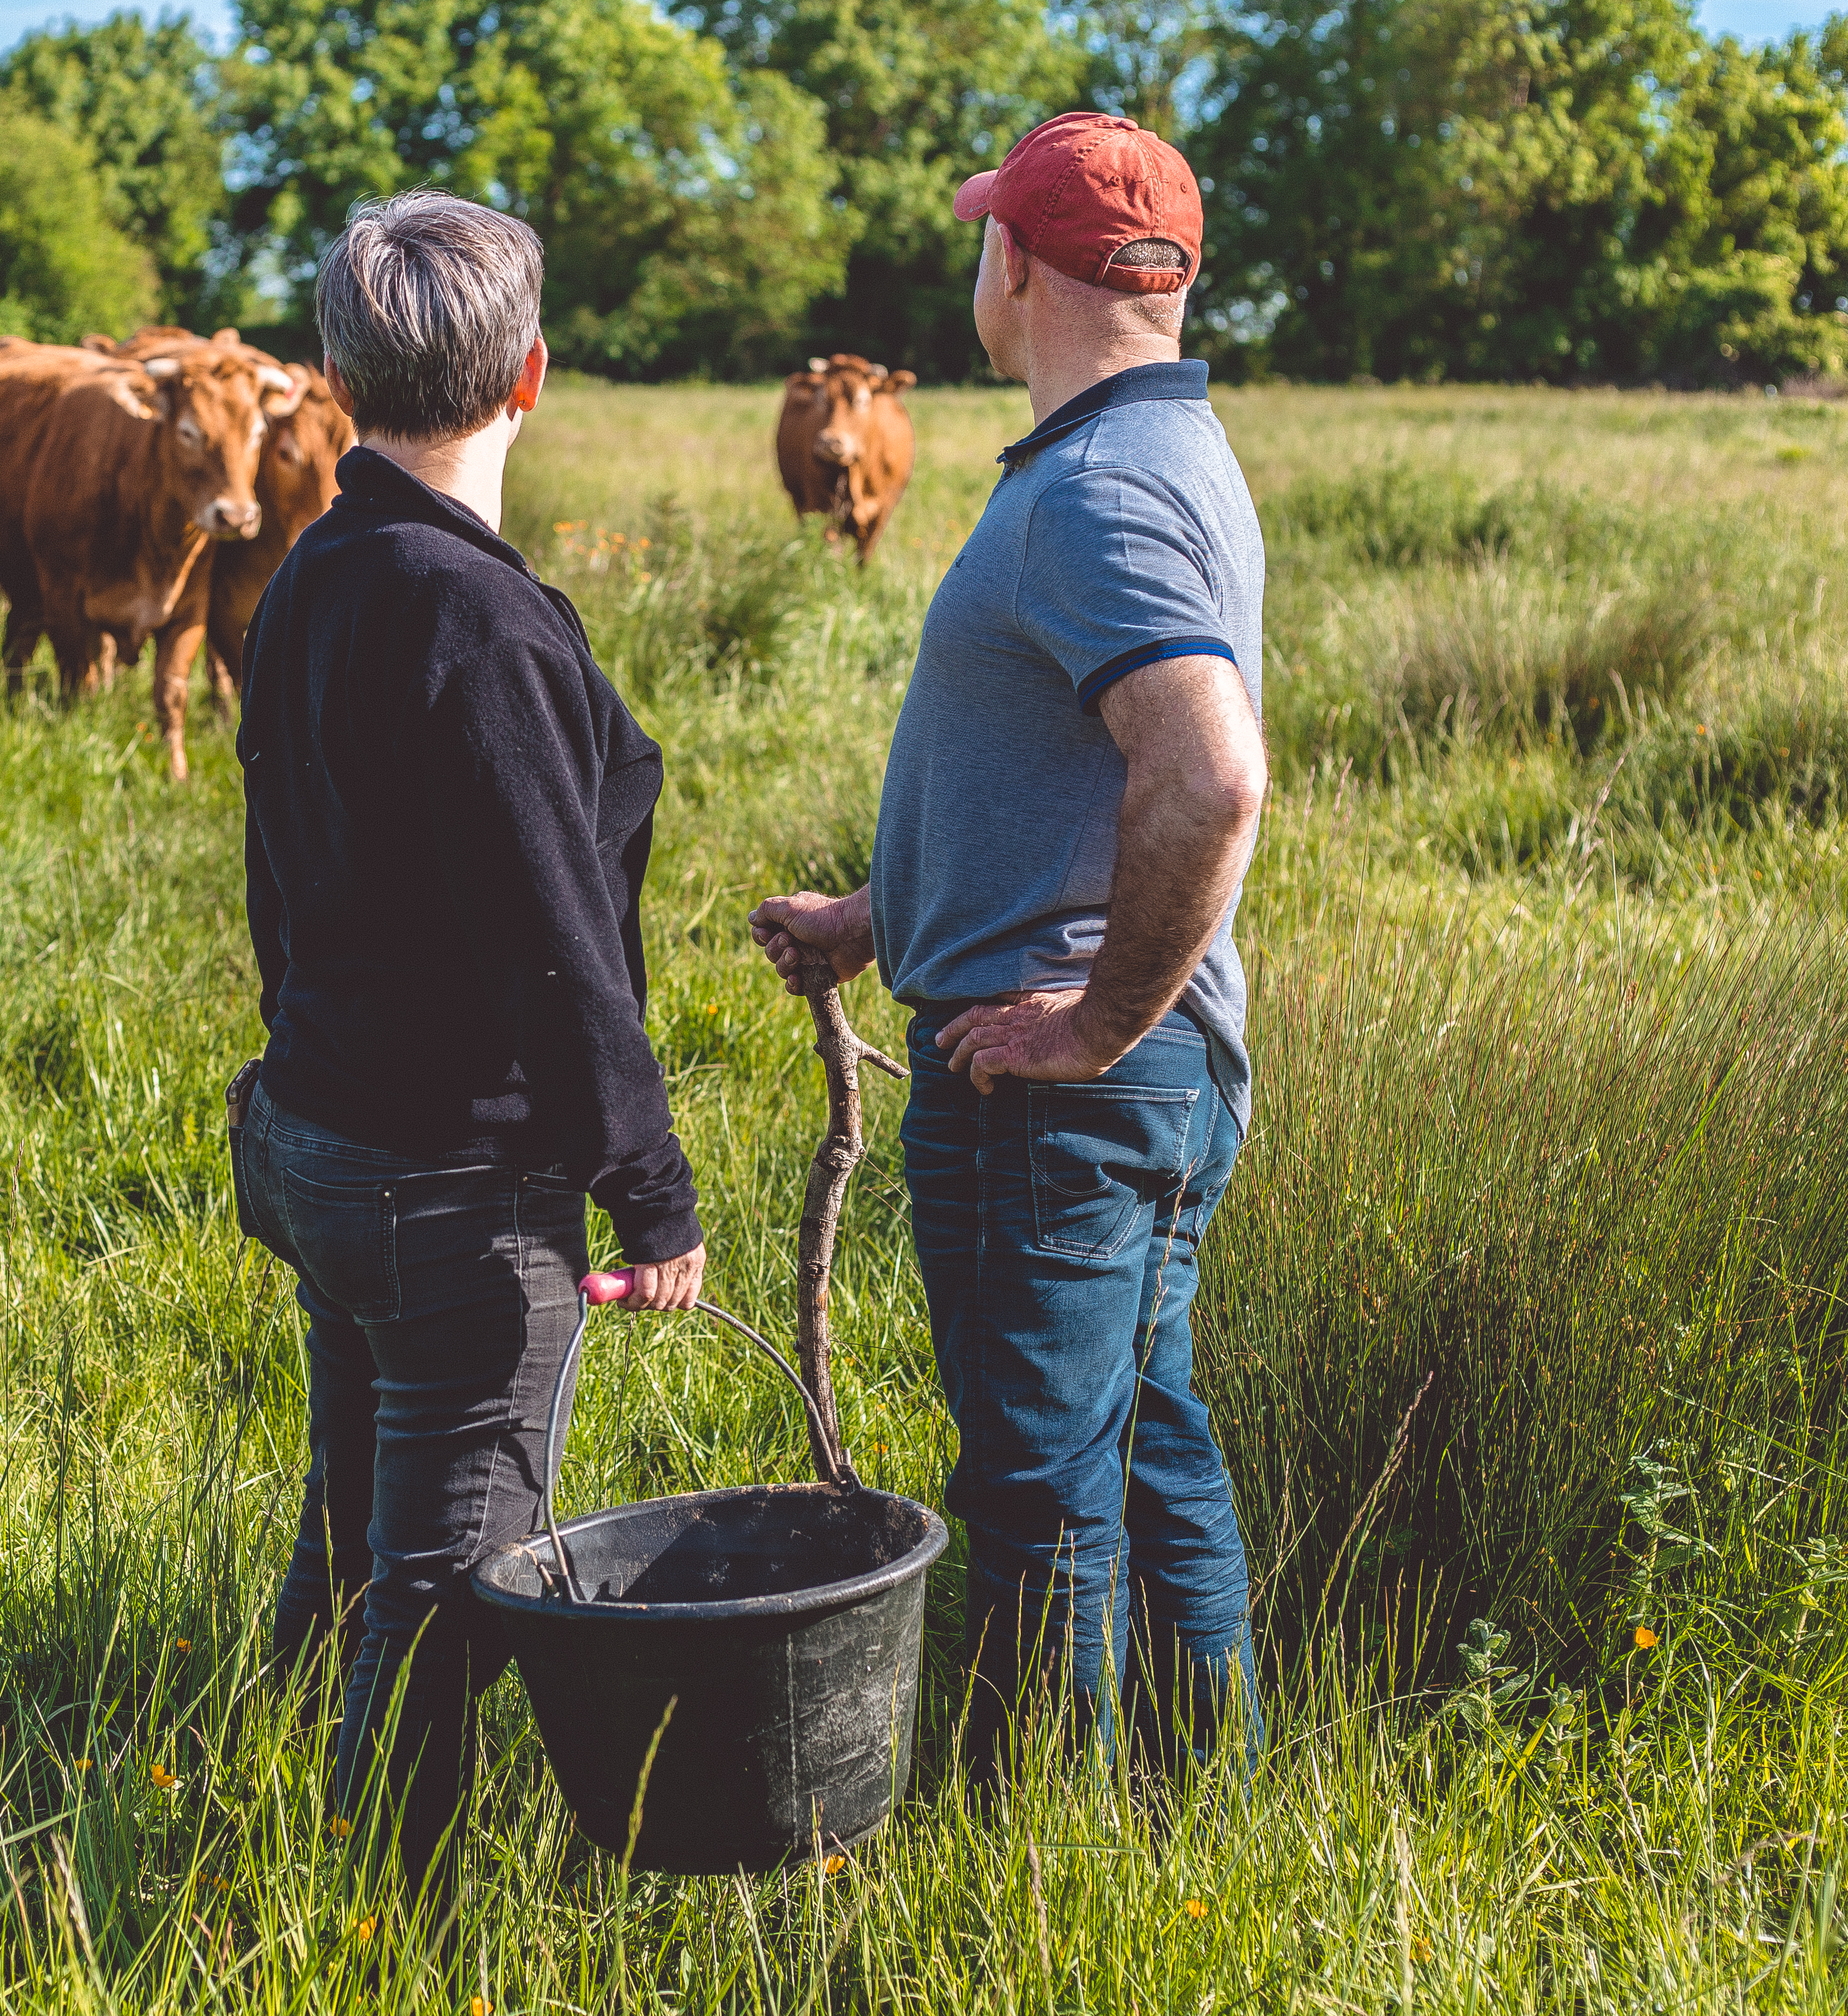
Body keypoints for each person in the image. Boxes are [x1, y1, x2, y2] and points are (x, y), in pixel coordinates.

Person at [753, 112, 1270, 1793]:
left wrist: (1096, 1023)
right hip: (1111, 1059)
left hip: (1054, 1092)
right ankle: (1203, 1802)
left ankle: (1042, 1863)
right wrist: (877, 918)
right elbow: (1059, 784)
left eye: (989, 237)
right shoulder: (1150, 455)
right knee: (1147, 1447)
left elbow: (1206, 773)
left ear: (1019, 267)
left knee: (1040, 1489)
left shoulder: (1098, 493)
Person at [230, 190, 707, 1898]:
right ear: (532, 375)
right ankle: (386, 1929)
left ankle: (257, 1821)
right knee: (443, 1585)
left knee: (357, 1532)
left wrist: (291, 1084)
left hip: (322, 1134)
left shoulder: (317, 577)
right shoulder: (482, 623)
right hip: (448, 1183)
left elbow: (280, 873)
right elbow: (559, 948)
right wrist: (648, 1192)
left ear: (337, 375)